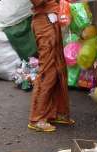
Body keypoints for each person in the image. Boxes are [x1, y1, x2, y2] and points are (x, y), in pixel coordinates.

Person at [28, 0, 71, 132]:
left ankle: (57, 111)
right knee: (48, 69)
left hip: (51, 19)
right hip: (44, 21)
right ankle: (37, 118)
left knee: (59, 68)